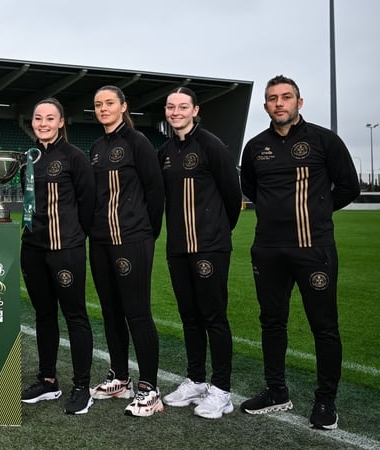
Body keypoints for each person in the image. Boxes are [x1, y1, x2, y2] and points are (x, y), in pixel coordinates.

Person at [239, 75, 360, 430]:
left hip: (313, 249)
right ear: (265, 106)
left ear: (299, 102)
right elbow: (251, 188)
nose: (279, 103)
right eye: (273, 98)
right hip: (268, 251)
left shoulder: (324, 140)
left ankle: (326, 401)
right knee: (272, 323)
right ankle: (276, 391)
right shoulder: (255, 147)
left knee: (324, 327)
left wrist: (317, 213)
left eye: (286, 97)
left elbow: (349, 186)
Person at [157, 87, 242, 419]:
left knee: (214, 317)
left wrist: (217, 234)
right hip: (177, 248)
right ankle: (195, 380)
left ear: (195, 110)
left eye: (182, 106)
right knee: (189, 318)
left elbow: (232, 196)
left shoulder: (211, 144)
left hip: (209, 247)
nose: (176, 111)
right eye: (170, 106)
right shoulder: (163, 151)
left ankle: (221, 390)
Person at [86, 86, 165, 417]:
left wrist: (146, 233)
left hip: (131, 240)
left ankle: (150, 388)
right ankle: (120, 378)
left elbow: (155, 189)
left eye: (109, 103)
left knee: (137, 312)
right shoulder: (95, 147)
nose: (103, 108)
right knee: (110, 311)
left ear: (123, 106)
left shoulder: (137, 142)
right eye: (98, 105)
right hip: (100, 241)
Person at [19, 98, 95, 415]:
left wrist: (73, 238)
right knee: (44, 315)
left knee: (75, 316)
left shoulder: (75, 157)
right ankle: (48, 381)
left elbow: (88, 203)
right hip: (32, 249)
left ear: (61, 122)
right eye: (38, 118)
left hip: (66, 249)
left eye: (50, 118)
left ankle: (82, 387)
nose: (44, 123)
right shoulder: (28, 158)